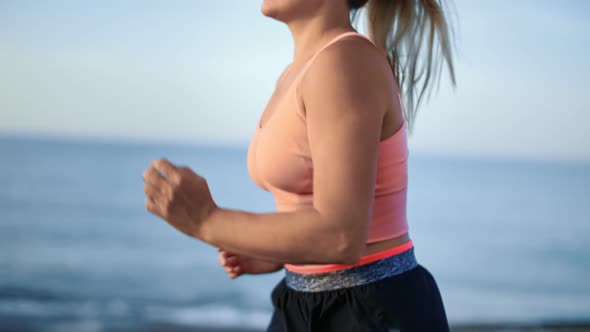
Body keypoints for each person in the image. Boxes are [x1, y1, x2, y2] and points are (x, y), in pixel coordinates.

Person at [142, 0, 456, 330]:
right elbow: (320, 212)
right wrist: (278, 252)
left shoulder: (344, 61)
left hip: (370, 309)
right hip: (306, 302)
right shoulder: (298, 72)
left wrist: (207, 220)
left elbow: (341, 236)